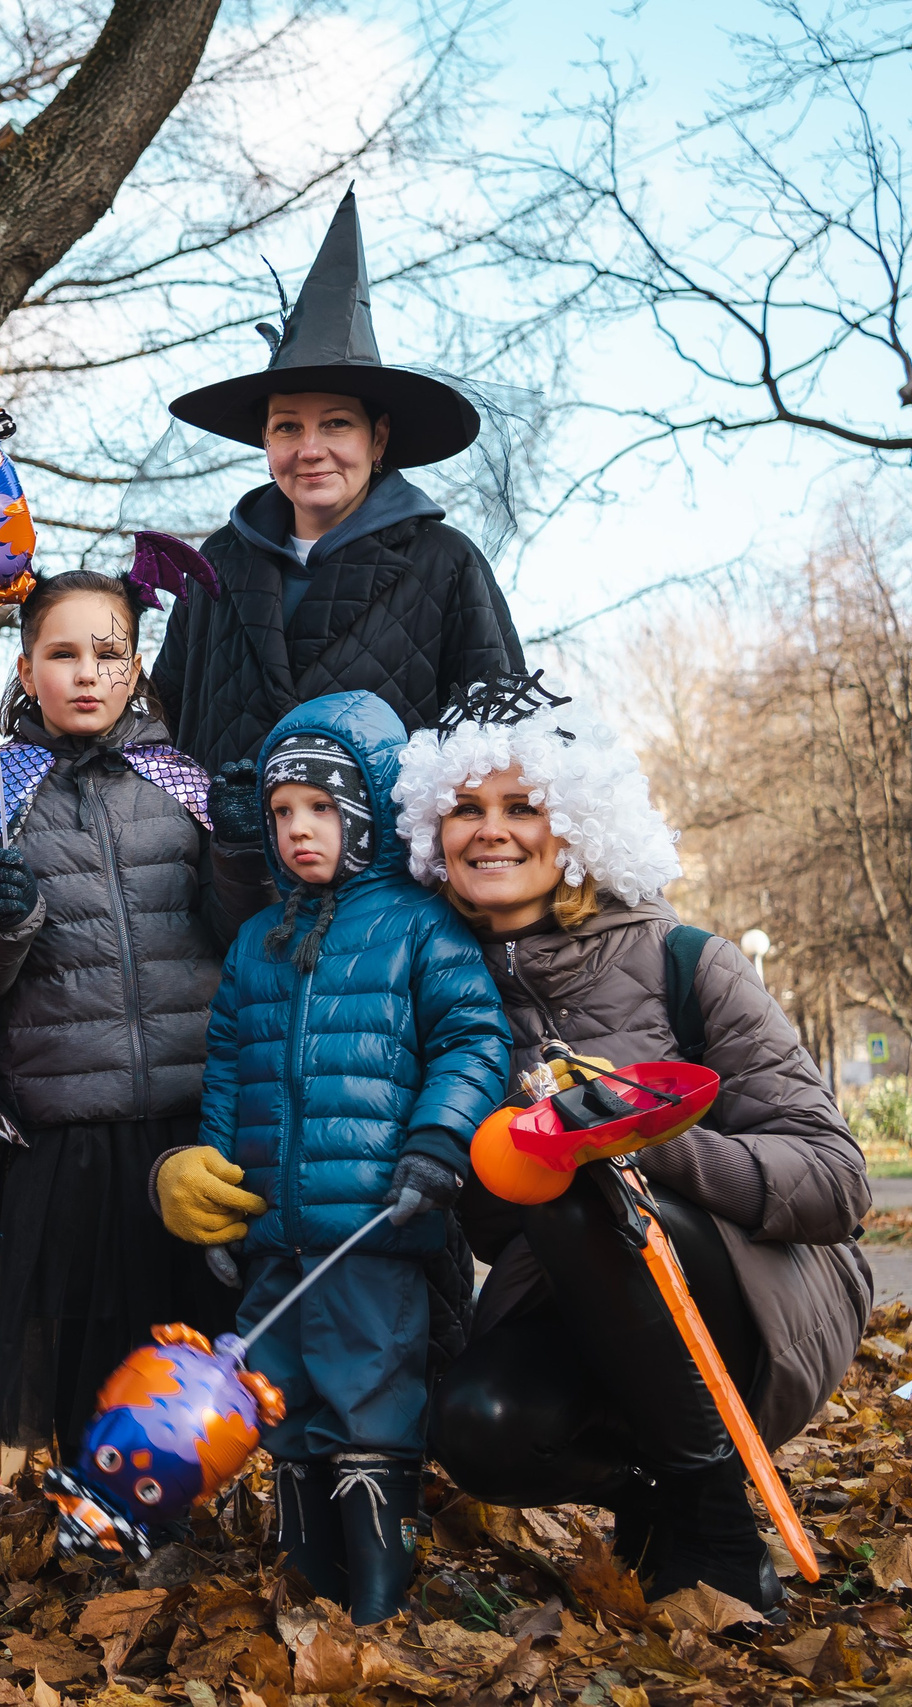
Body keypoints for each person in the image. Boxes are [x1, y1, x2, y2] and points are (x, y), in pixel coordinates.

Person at [400, 683, 871, 1611]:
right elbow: (492, 1228)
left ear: (581, 824)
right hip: (576, 1306)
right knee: (478, 1421)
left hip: (757, 1300)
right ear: (431, 832)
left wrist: (644, 1140)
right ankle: (652, 1495)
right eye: (463, 808)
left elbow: (837, 1180)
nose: (490, 830)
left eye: (523, 805)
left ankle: (717, 1524)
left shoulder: (687, 962)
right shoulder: (442, 997)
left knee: (584, 1176)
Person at [158, 691, 508, 1623]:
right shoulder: (258, 942)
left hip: (373, 1224)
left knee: (369, 1392)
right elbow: (228, 1074)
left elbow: (473, 1039)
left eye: (321, 806)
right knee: (283, 1395)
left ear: (370, 809)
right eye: (282, 812)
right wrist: (221, 1198)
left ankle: (380, 1590)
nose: (298, 830)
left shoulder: (419, 925)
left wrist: (437, 1141)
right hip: (275, 1232)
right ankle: (310, 1573)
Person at [0, 570, 249, 1456]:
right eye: (62, 654)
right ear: (25, 669)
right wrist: (3, 920)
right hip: (69, 1125)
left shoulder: (183, 782)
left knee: (197, 1341)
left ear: (136, 667)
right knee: (89, 1349)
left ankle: (201, 1509)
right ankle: (99, 1499)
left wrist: (238, 852)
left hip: (191, 1111)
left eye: (108, 653)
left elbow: (237, 933)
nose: (87, 673)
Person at [150, 189, 525, 854]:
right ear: (266, 442)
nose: (310, 448)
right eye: (287, 427)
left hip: (394, 896)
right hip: (227, 890)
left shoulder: (445, 563)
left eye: (336, 424)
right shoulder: (217, 565)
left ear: (378, 439)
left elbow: (501, 747)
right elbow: (162, 731)